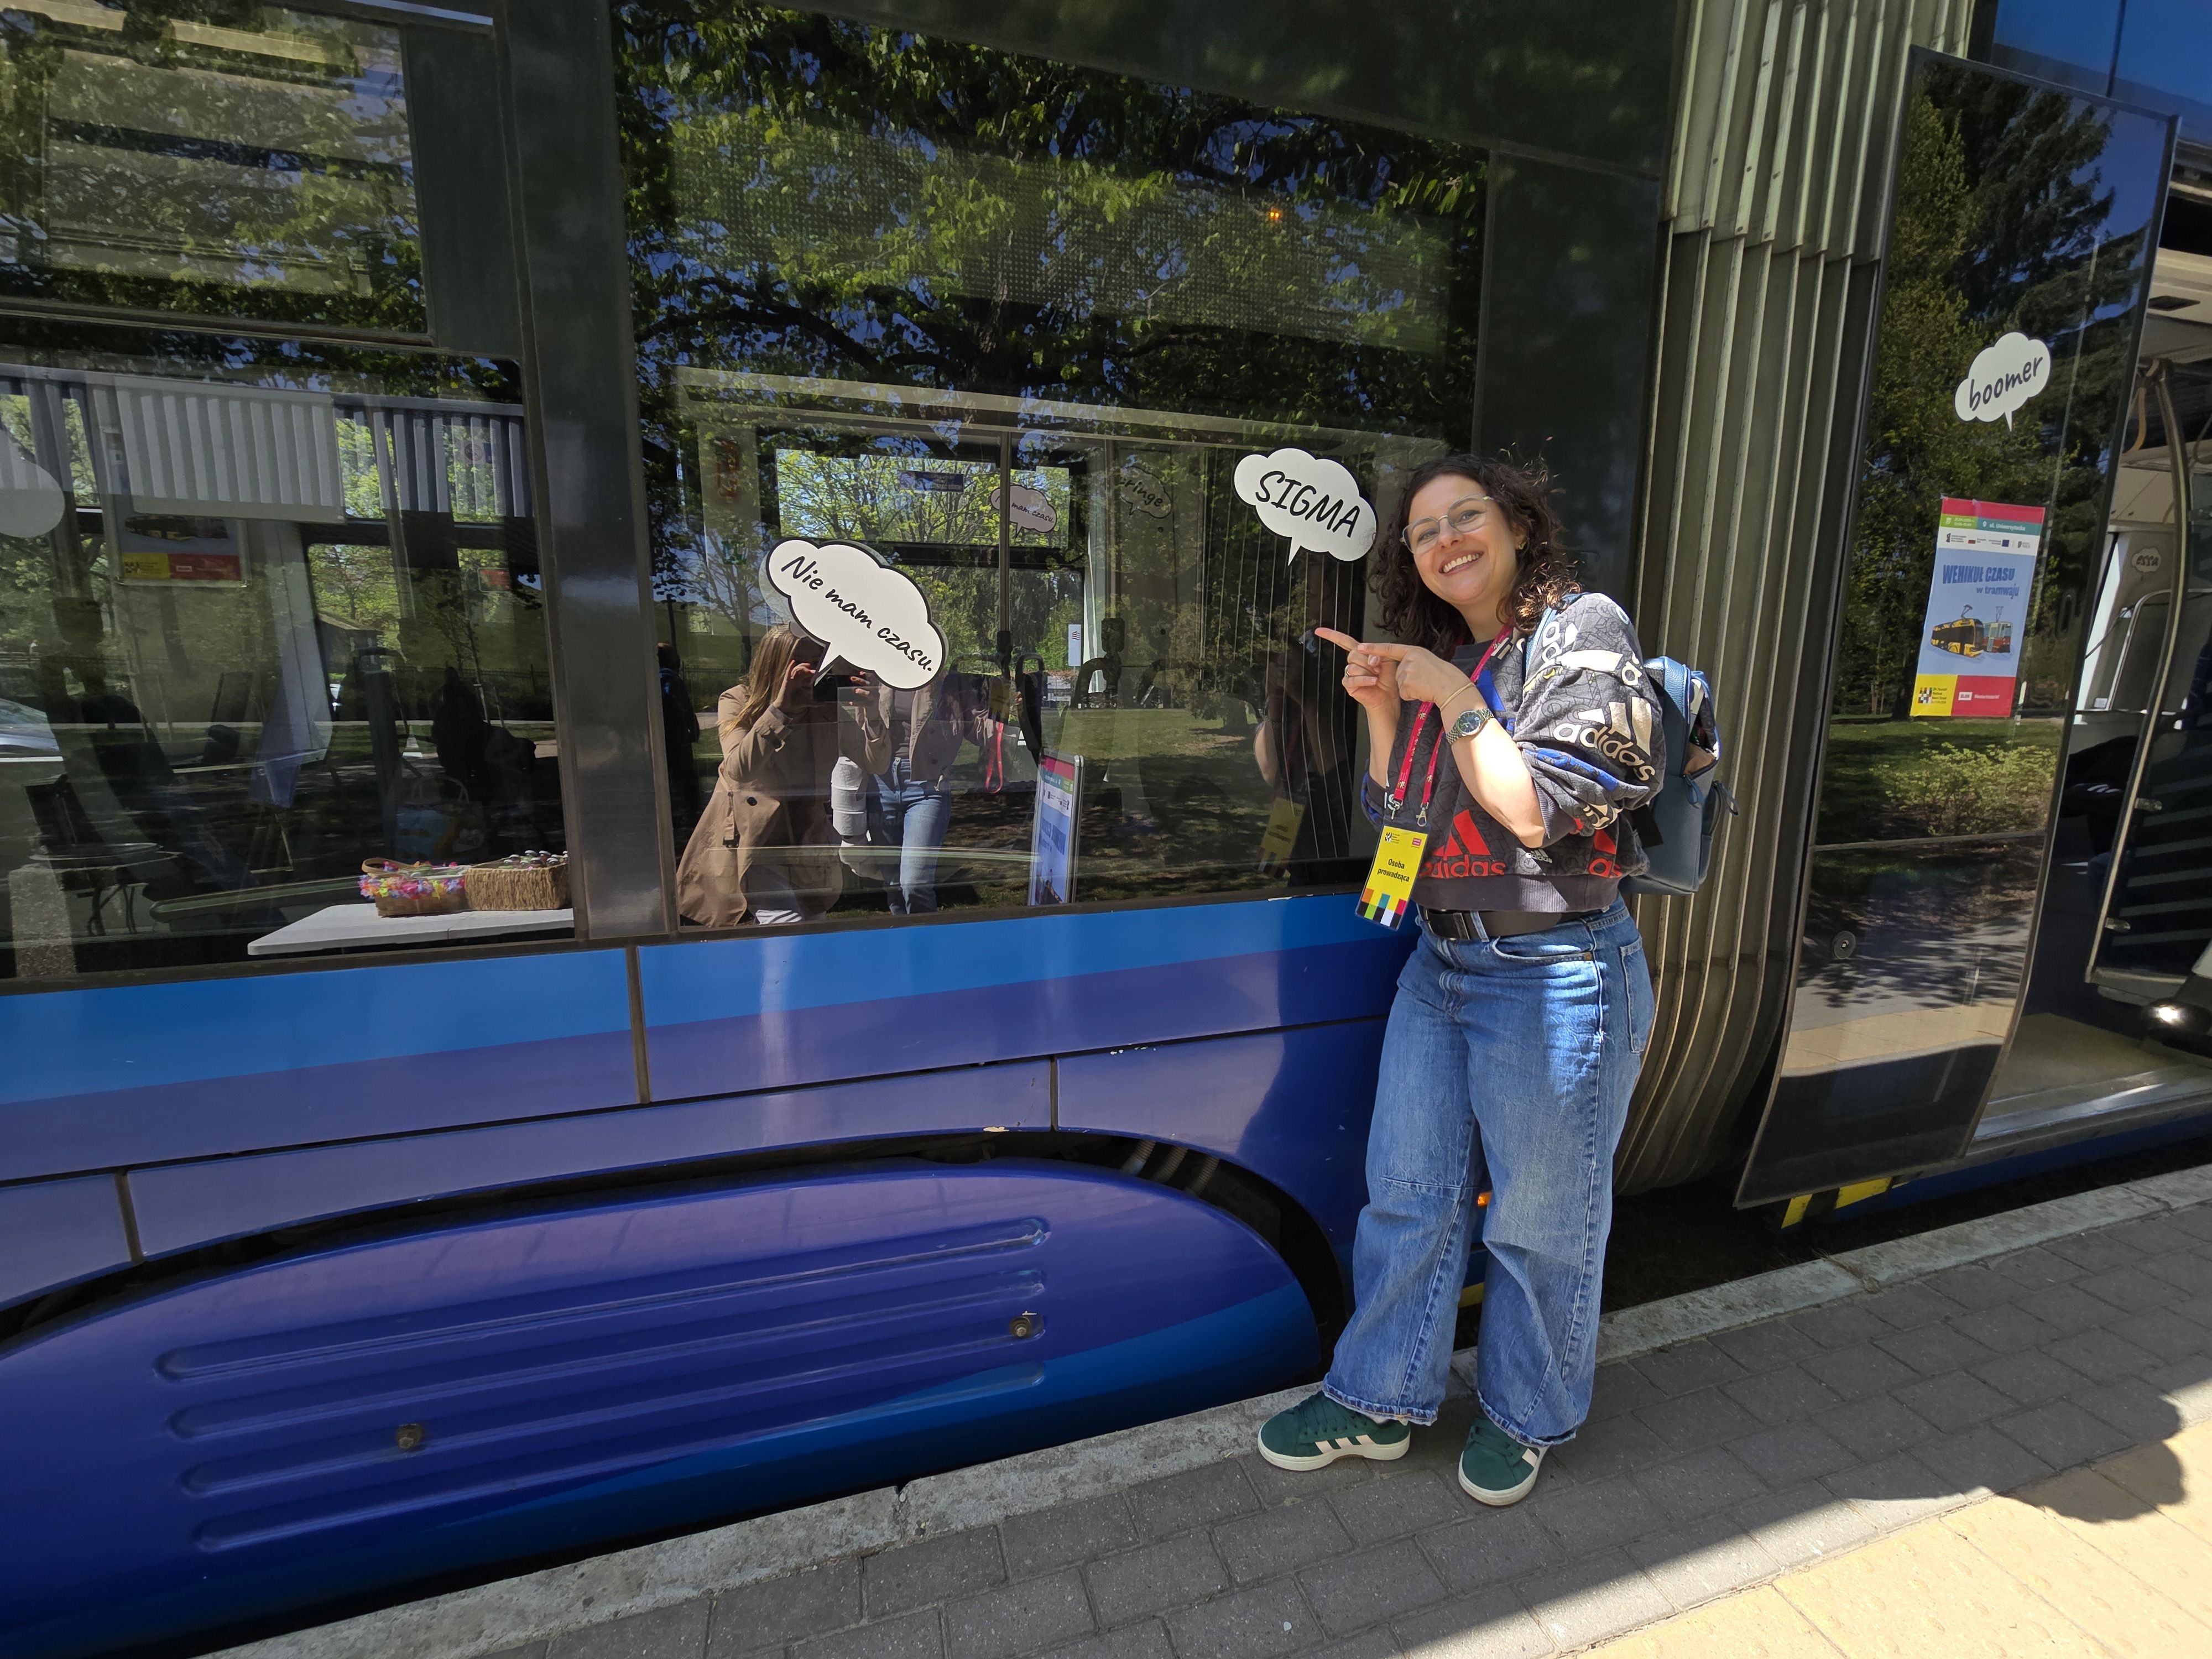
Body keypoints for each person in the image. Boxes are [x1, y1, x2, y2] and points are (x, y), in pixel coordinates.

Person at [1255, 454, 1661, 1507]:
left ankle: (1526, 1417)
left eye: (1465, 516)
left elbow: (1538, 813)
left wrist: (1446, 694)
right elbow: (1399, 814)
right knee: (1408, 1197)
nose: (1446, 541)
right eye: (1424, 531)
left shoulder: (1583, 632)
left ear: (1518, 524)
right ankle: (1378, 1400)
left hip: (1555, 969)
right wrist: (1385, 711)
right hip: (1440, 960)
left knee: (1540, 1222)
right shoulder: (1451, 655)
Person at [676, 625, 889, 926]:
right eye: (805, 664)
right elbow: (738, 771)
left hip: (806, 834)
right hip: (756, 835)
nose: (814, 672)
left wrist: (872, 714)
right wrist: (781, 711)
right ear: (778, 664)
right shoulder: (739, 701)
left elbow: (876, 763)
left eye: (819, 663)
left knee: (814, 918)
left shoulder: (824, 709)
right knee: (787, 921)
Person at [869, 670, 987, 915]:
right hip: (880, 784)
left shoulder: (948, 678)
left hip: (928, 786)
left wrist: (1013, 718)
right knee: (893, 884)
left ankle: (924, 936)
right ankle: (904, 935)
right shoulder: (877, 670)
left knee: (915, 884)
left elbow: (978, 727)